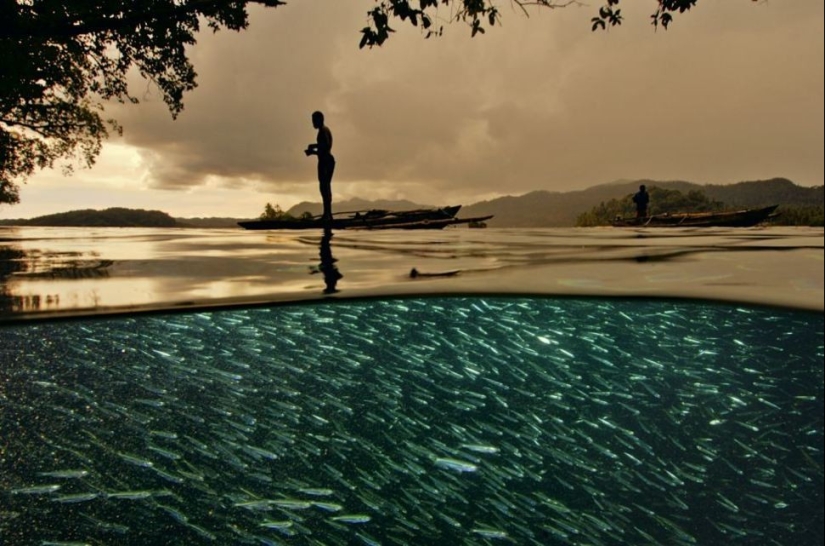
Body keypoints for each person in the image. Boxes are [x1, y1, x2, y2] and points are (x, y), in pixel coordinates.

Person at [304, 111, 335, 224]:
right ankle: (327, 214)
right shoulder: (323, 131)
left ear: (320, 120)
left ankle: (327, 215)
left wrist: (312, 151)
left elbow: (325, 147)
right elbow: (322, 146)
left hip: (326, 161)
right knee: (324, 188)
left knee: (325, 188)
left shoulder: (323, 131)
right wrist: (313, 148)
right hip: (326, 161)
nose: (312, 123)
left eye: (314, 121)